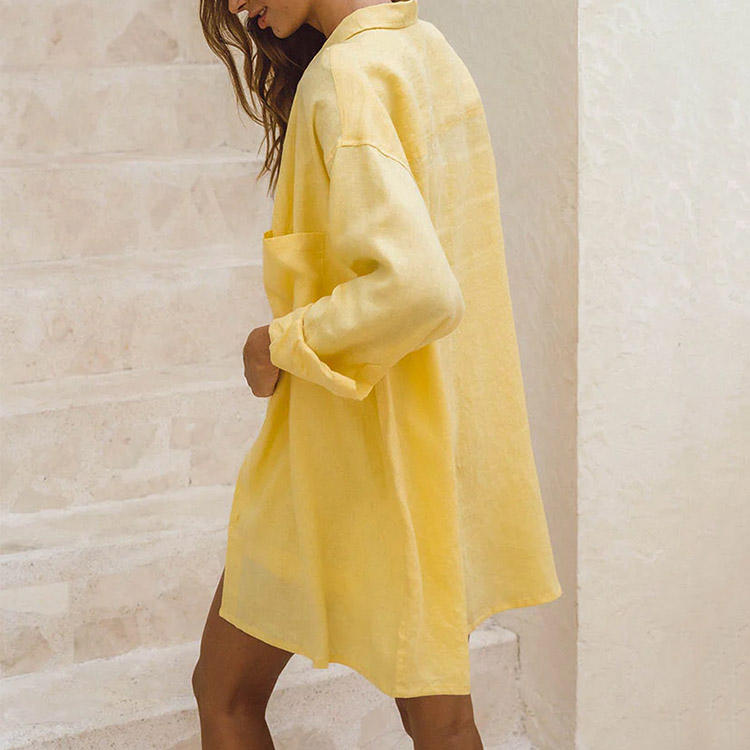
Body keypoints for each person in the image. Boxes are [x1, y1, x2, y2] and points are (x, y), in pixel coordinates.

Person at [192, 1, 563, 748]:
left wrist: (276, 343)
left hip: (343, 457)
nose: (233, 5)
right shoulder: (426, 50)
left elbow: (418, 289)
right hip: (423, 451)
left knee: (225, 692)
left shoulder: (344, 78)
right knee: (442, 724)